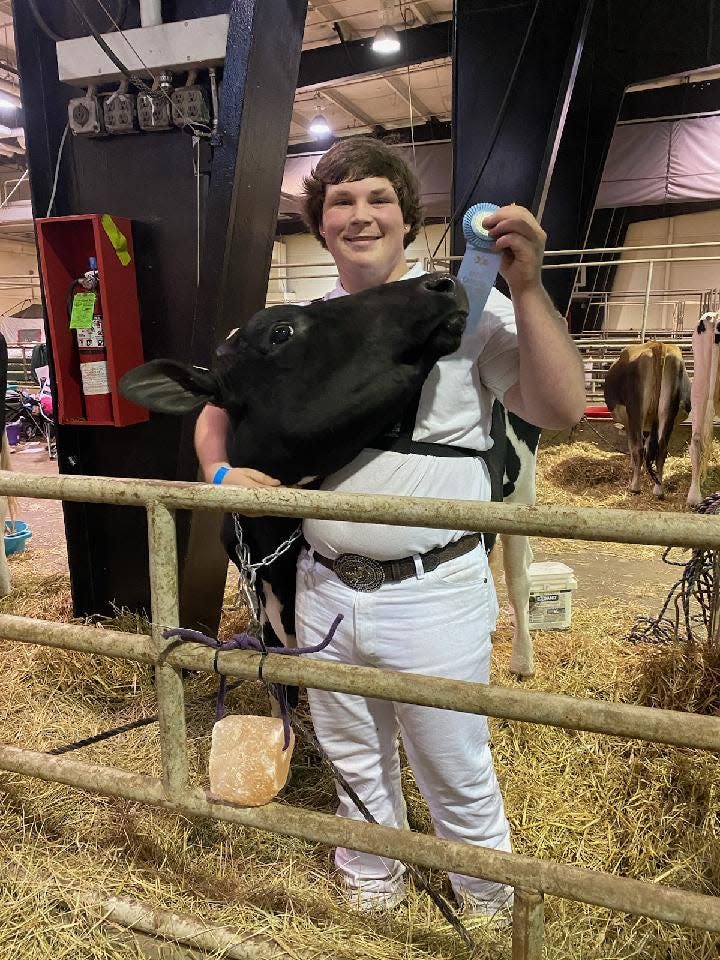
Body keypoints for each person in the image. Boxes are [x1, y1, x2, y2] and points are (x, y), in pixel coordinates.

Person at [195, 137, 585, 915]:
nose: (360, 215)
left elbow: (563, 410)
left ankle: (483, 901)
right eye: (341, 201)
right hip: (326, 581)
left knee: (453, 764)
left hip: (430, 588)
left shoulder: (470, 310)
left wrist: (531, 288)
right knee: (352, 760)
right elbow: (215, 412)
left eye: (379, 200)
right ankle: (372, 883)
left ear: (409, 222)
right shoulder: (294, 324)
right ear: (320, 223)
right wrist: (219, 472)